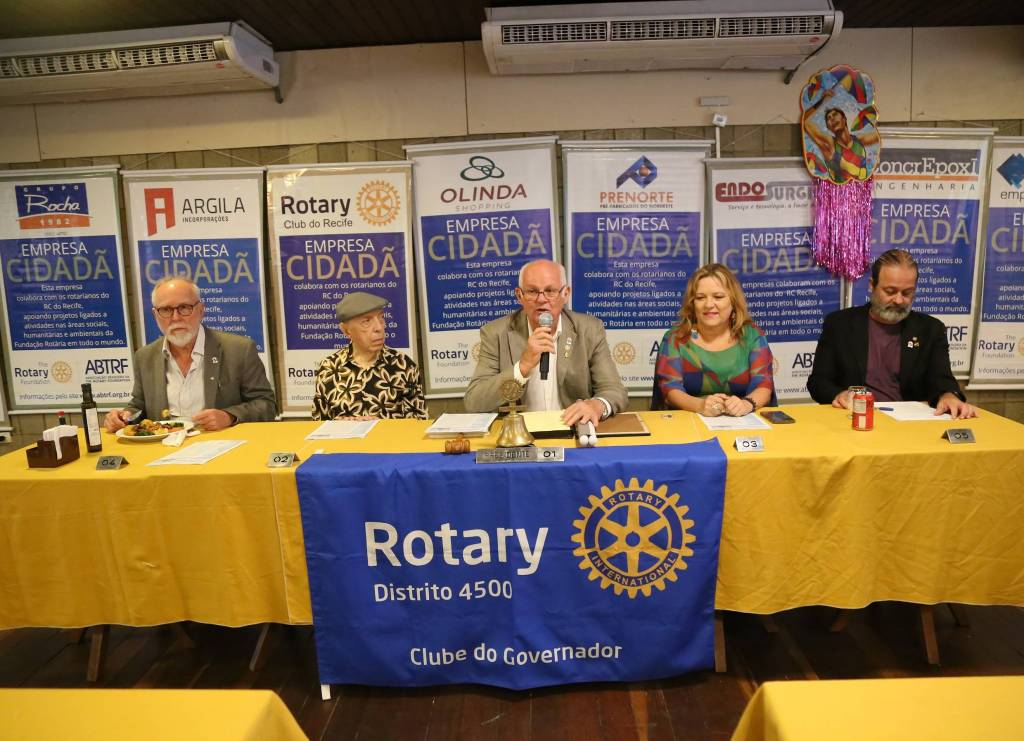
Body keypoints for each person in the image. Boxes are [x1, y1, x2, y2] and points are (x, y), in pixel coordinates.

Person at [807, 249, 977, 419]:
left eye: (907, 293)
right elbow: (818, 382)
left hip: (909, 423)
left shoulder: (931, 329)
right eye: (890, 291)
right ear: (872, 285)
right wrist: (839, 395)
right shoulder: (839, 324)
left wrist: (948, 395)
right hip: (853, 418)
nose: (898, 300)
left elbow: (942, 379)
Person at [464, 259, 628, 427]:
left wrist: (596, 405)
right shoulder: (495, 333)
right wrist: (522, 367)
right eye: (532, 291)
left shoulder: (590, 330)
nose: (541, 299)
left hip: (572, 429)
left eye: (550, 291)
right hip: (518, 433)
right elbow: (474, 402)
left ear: (566, 294)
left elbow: (614, 391)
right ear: (519, 296)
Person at [104, 276, 276, 432]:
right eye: (166, 310)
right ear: (155, 315)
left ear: (201, 310)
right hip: (163, 450)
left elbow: (266, 405)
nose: (175, 317)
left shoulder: (239, 349)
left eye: (184, 308)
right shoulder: (145, 357)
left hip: (221, 446)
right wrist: (124, 416)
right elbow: (138, 407)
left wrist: (229, 416)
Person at [655, 263, 775, 417]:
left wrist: (746, 404)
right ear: (692, 303)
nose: (709, 304)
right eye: (700, 298)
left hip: (743, 420)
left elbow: (764, 385)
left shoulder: (752, 335)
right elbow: (670, 390)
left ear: (733, 301)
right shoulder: (675, 338)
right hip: (689, 421)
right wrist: (700, 405)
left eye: (718, 297)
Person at [311, 292, 427, 420]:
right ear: (346, 330)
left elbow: (419, 422)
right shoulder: (329, 368)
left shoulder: (403, 365)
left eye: (381, 318)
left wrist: (381, 425)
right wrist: (338, 425)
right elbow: (318, 423)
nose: (379, 327)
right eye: (366, 321)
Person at [802, 89, 879, 183]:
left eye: (835, 115)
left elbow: (876, 138)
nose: (832, 119)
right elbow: (805, 122)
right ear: (828, 127)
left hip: (861, 189)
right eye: (828, 118)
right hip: (837, 191)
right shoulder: (829, 144)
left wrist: (871, 118)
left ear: (844, 119)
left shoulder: (860, 140)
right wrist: (822, 100)